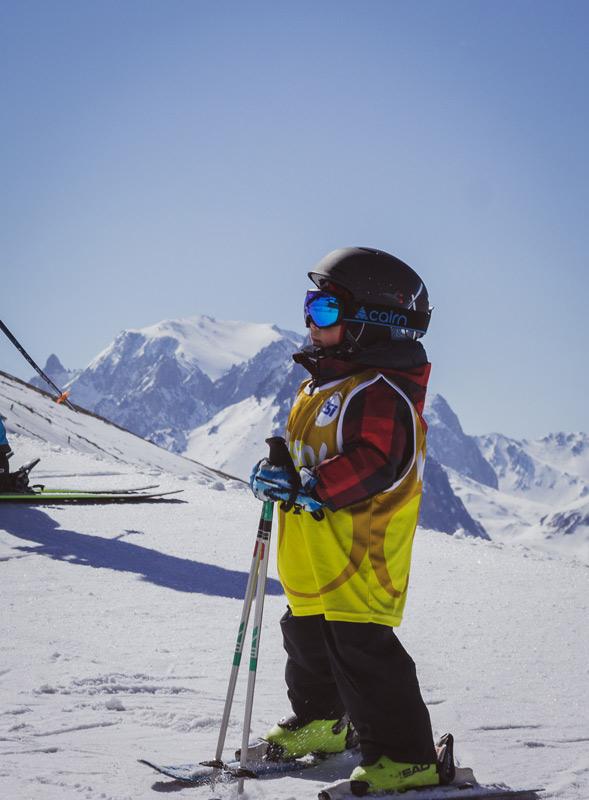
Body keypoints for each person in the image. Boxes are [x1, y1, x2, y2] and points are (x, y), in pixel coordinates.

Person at [249, 246, 444, 794]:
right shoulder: (319, 387)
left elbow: (378, 462)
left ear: (371, 323)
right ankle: (321, 724)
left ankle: (408, 756)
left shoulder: (380, 394)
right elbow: (308, 454)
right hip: (314, 557)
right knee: (306, 639)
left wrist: (312, 486)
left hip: (363, 556)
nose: (311, 321)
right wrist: (278, 471)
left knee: (362, 653)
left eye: (327, 310)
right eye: (310, 307)